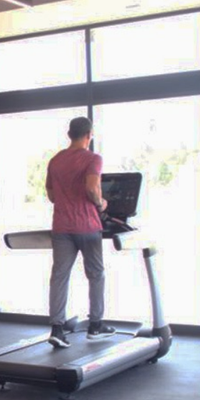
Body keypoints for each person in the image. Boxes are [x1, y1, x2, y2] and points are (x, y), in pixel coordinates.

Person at [45, 116, 116, 348]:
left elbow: (51, 195)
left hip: (61, 227)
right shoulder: (93, 158)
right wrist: (101, 203)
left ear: (69, 135)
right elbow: (92, 188)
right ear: (89, 135)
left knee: (59, 276)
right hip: (87, 226)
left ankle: (57, 329)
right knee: (96, 274)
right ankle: (95, 326)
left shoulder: (55, 161)